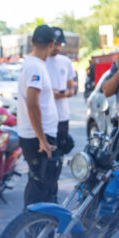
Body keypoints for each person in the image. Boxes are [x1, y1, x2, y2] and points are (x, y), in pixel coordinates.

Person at [17, 25, 61, 207]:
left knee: (41, 185)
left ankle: (35, 231)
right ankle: (35, 232)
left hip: (34, 134)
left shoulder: (31, 64)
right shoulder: (35, 67)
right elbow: (32, 104)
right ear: (52, 44)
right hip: (38, 137)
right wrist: (43, 140)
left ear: (32, 41)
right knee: (42, 188)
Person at [46, 27, 76, 200]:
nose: (57, 47)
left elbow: (72, 89)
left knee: (58, 160)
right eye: (54, 43)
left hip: (62, 117)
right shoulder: (40, 61)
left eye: (59, 44)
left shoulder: (65, 61)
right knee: (45, 161)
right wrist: (50, 93)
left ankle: (53, 196)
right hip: (45, 119)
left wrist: (62, 94)